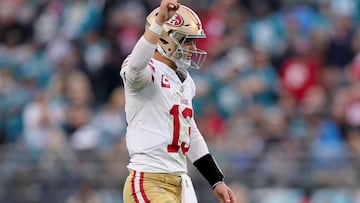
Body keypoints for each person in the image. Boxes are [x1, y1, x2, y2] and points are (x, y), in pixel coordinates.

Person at [120, 0, 237, 202]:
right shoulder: (146, 69)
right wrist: (159, 22)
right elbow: (135, 68)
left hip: (179, 182)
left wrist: (216, 180)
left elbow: (189, 133)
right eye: (187, 41)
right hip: (149, 179)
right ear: (165, 39)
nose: (192, 48)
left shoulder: (183, 79)